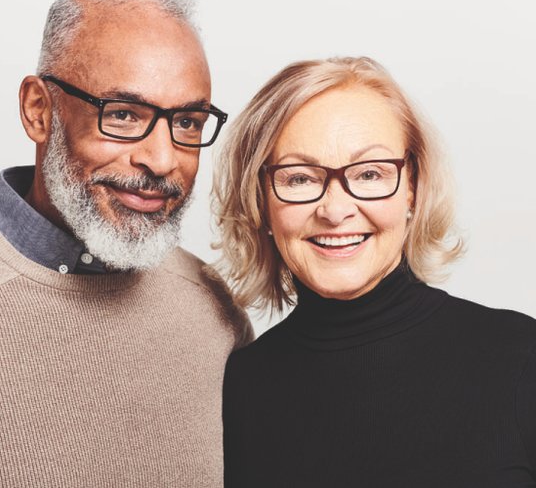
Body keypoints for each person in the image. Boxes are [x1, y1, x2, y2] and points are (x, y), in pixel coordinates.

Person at [0, 0, 252, 487]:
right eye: (121, 114)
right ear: (38, 110)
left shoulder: (216, 314)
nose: (161, 160)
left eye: (186, 122)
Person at [215, 56, 536, 487]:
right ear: (261, 202)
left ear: (413, 190)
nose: (335, 210)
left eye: (369, 173)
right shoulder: (233, 391)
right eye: (299, 178)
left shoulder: (521, 358)